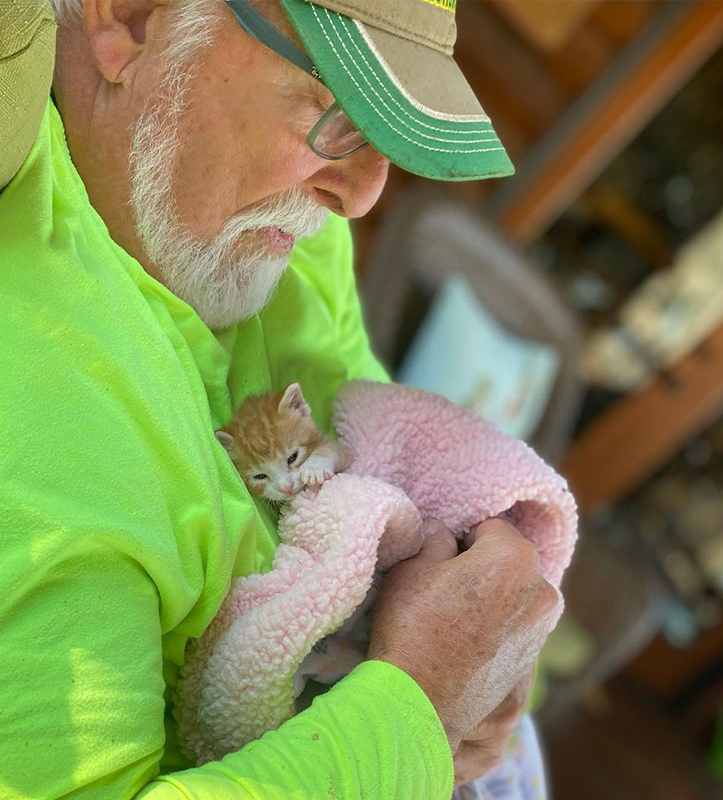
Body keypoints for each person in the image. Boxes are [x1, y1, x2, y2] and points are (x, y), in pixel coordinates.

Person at [0, 1, 560, 798]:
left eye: (389, 132)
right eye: (338, 109)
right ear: (127, 19)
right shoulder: (32, 402)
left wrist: (485, 646)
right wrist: (422, 711)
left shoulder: (271, 241)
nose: (362, 197)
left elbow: (408, 483)